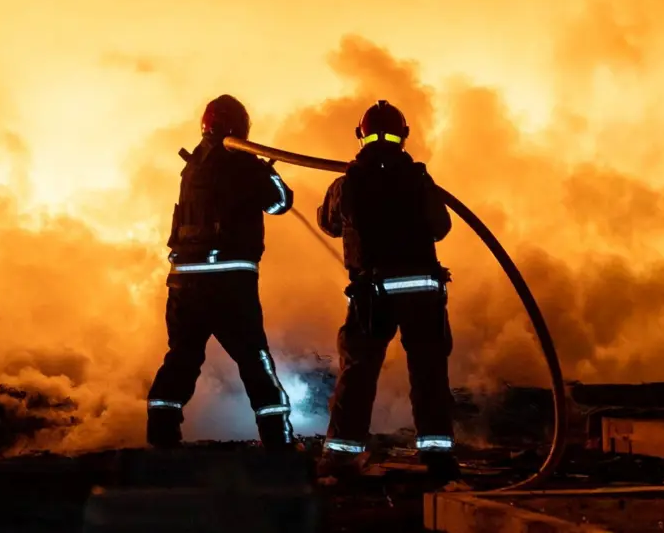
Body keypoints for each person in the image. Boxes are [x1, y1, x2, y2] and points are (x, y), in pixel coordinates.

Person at [315, 100, 461, 482]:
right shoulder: (418, 179)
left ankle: (342, 458)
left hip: (373, 295)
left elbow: (328, 223)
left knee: (359, 374)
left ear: (360, 133)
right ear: (405, 134)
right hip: (421, 294)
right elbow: (440, 226)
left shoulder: (347, 183)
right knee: (429, 374)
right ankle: (438, 458)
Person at [146, 94, 297, 451]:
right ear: (241, 127)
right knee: (254, 358)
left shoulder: (192, 165)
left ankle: (161, 436)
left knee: (181, 357)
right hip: (229, 285)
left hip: (184, 283)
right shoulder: (243, 165)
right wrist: (265, 167)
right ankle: (278, 441)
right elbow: (280, 202)